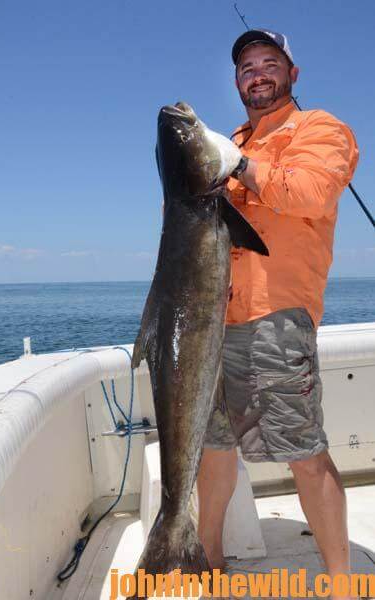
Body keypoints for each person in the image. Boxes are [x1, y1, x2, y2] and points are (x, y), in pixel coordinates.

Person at [197, 29, 359, 596]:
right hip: (211, 319)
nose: (257, 74)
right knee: (212, 446)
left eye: (270, 63)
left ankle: (343, 584)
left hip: (276, 316)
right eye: (246, 67)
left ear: (293, 73)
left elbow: (311, 194)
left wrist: (237, 165)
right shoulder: (233, 140)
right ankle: (209, 562)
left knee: (303, 451)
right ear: (237, 80)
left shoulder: (320, 129)